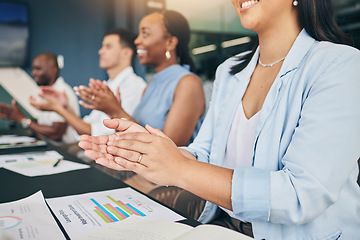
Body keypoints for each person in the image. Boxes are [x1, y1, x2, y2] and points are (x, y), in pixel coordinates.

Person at [78, 0, 360, 239]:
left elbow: (301, 194)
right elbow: (204, 153)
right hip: (221, 227)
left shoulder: (340, 65)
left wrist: (178, 169)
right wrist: (152, 152)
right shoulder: (229, 72)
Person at [75, 10, 205, 146]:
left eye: (145, 34)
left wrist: (115, 111)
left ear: (170, 42)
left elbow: (170, 149)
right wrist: (113, 111)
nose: (137, 41)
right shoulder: (150, 87)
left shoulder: (188, 83)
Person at [30, 28, 146, 137]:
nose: (101, 51)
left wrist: (58, 108)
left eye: (108, 47)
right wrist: (65, 107)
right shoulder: (110, 84)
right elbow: (87, 124)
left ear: (126, 53)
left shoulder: (134, 86)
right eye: (102, 46)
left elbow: (102, 133)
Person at [0, 52, 80, 144]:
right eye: (33, 68)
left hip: (67, 147)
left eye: (38, 69)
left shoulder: (61, 91)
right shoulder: (45, 91)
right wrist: (18, 117)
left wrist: (23, 120)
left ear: (53, 70)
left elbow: (56, 133)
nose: (33, 72)